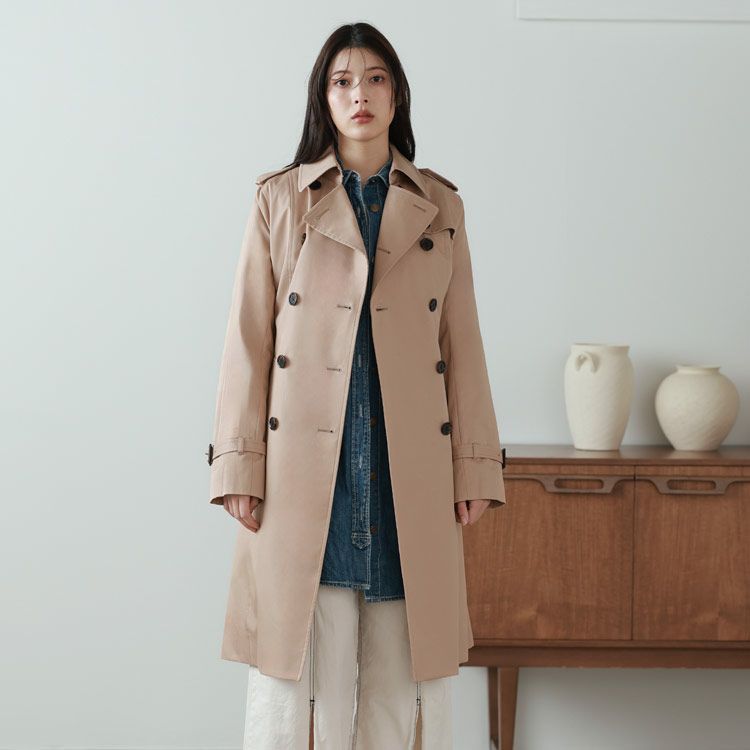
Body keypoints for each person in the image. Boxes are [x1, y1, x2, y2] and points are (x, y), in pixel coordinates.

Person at [207, 21, 507, 749]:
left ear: (396, 94)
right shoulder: (281, 201)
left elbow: (461, 344)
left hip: (408, 466)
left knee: (401, 680)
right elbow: (248, 340)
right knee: (308, 679)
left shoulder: (440, 206)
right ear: (324, 97)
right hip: (309, 469)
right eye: (342, 81)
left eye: (374, 79)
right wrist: (238, 466)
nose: (359, 94)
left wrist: (475, 467)